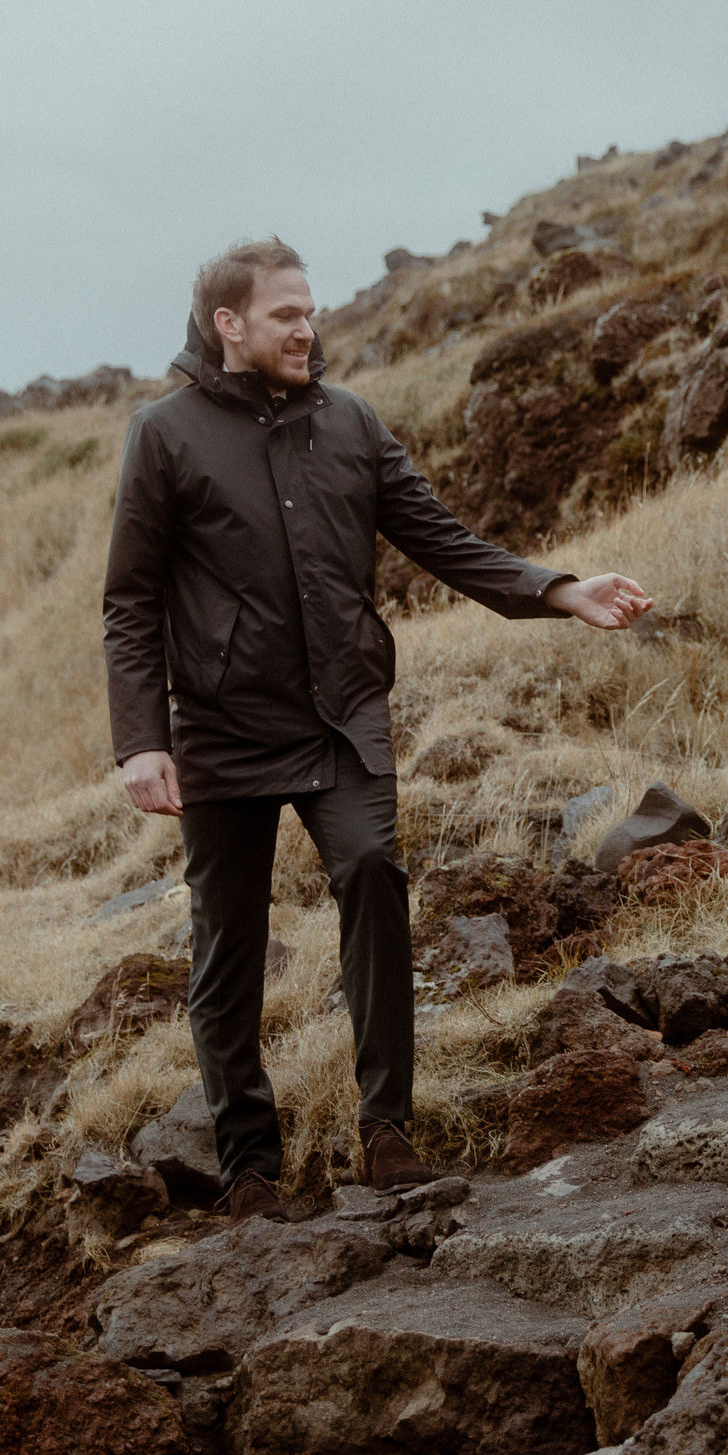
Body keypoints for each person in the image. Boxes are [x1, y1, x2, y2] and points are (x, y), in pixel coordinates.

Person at [105, 236, 651, 1223]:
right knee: (227, 942)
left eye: (308, 310)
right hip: (222, 732)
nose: (306, 328)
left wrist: (560, 588)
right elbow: (131, 602)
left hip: (341, 723)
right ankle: (247, 1169)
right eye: (284, 314)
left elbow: (437, 536)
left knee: (372, 873)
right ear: (230, 325)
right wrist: (142, 739)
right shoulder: (165, 434)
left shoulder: (349, 422)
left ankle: (387, 1131)